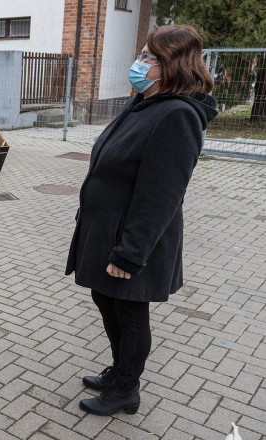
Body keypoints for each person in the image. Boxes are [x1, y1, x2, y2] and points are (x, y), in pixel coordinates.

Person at [65, 24, 217, 417]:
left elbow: (161, 196)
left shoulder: (176, 116)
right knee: (105, 298)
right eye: (141, 54)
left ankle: (126, 391)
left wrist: (130, 254)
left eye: (147, 57)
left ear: (171, 65)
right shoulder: (144, 101)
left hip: (133, 236)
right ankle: (119, 372)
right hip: (107, 228)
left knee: (129, 311)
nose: (138, 62)